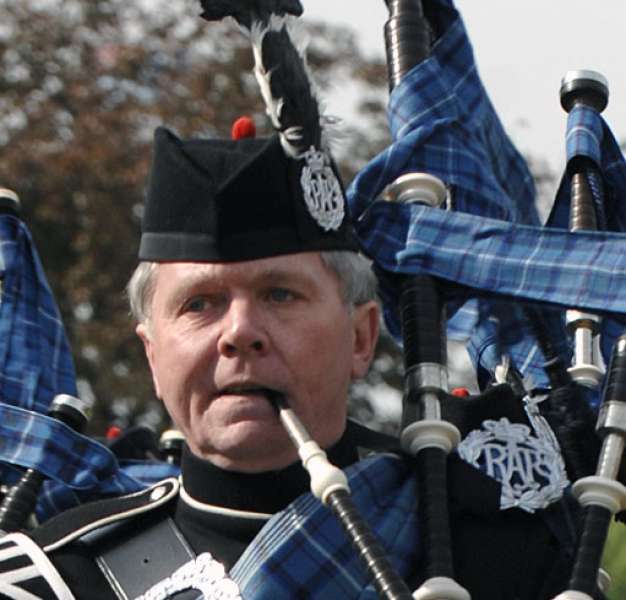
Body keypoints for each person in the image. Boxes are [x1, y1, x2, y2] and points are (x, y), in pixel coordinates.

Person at [0, 5, 596, 600]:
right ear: (152, 356)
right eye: (200, 304)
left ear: (361, 338)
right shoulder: (58, 578)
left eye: (279, 294)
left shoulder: (499, 550)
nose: (240, 332)